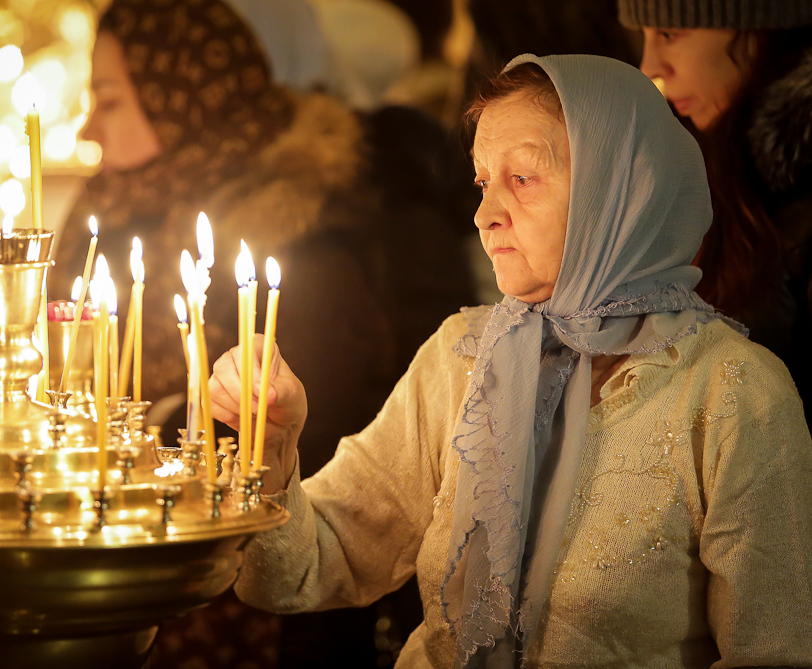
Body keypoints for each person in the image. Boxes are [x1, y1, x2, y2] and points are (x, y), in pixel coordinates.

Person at [209, 54, 812, 667]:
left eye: (523, 178)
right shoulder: (461, 357)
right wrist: (273, 447)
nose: (484, 214)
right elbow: (305, 568)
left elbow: (775, 651)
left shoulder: (728, 391)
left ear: (621, 191)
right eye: (481, 182)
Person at [52, 0, 476, 665]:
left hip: (251, 605)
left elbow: (311, 447)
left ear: (184, 91)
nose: (87, 130)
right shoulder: (111, 211)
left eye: (109, 99)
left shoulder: (300, 234)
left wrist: (158, 424)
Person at [617, 0, 812, 415]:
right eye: (644, 36)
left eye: (669, 33)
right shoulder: (700, 160)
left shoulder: (790, 185)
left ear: (755, 26)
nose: (650, 67)